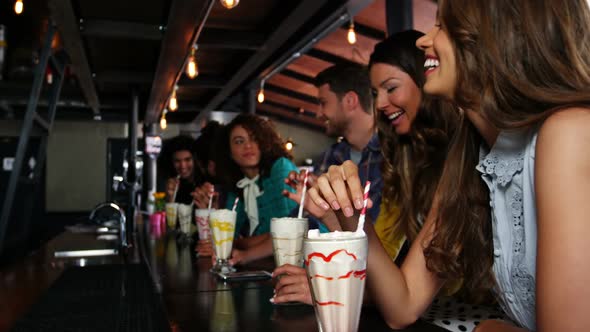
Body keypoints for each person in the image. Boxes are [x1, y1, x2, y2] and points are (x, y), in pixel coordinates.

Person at [307, 1, 590, 331]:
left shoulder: (570, 132)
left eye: (441, 25)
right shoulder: (473, 156)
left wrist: (491, 329)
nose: (423, 41)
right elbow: (404, 305)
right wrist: (353, 223)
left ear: (495, 36)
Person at [273, 30, 460, 305]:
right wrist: (331, 217)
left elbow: (411, 293)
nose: (380, 103)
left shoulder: (459, 157)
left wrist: (335, 287)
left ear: (426, 80)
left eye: (391, 88)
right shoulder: (404, 162)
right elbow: (383, 258)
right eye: (375, 93)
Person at [291, 63, 383, 222]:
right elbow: (304, 222)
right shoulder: (330, 157)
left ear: (350, 100)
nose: (318, 114)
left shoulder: (394, 156)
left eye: (323, 103)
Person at [216, 114, 299, 266]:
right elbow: (229, 235)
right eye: (239, 141)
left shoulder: (280, 168)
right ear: (229, 151)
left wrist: (243, 248)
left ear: (265, 142)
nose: (248, 146)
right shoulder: (239, 183)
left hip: (289, 265)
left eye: (254, 138)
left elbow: (288, 232)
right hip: (263, 265)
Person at [161, 135, 203, 205]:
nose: (183, 166)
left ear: (195, 160)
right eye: (177, 161)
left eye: (187, 160)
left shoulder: (204, 183)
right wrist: (170, 198)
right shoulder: (169, 184)